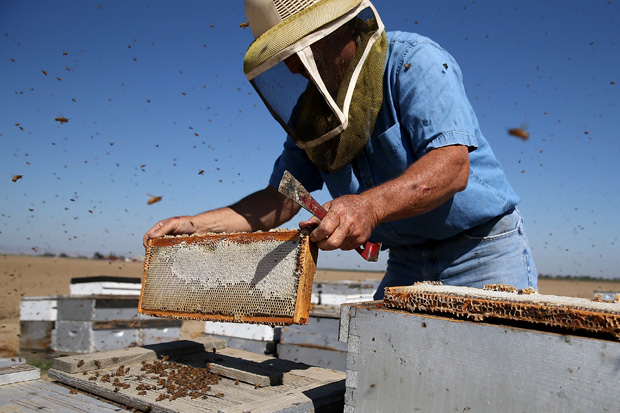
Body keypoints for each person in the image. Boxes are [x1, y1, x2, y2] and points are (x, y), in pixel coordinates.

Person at [144, 0, 538, 299]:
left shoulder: (412, 63)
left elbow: (452, 167)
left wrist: (367, 206)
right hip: (405, 259)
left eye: (300, 51)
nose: (294, 70)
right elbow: (284, 198)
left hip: (483, 251)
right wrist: (198, 226)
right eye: (285, 59)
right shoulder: (313, 114)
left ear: (336, 28)